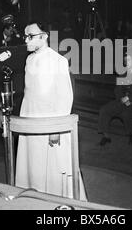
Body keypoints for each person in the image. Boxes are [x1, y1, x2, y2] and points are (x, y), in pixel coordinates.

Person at [15, 21, 87, 200]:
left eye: (30, 36)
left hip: (50, 124)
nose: (26, 40)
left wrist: (56, 129)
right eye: (25, 36)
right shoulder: (29, 59)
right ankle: (33, 198)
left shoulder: (58, 61)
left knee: (53, 166)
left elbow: (65, 97)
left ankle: (56, 201)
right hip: (29, 120)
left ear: (44, 36)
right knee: (32, 163)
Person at [98, 52, 132, 146]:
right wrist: (121, 99)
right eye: (125, 60)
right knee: (104, 110)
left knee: (125, 113)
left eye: (128, 60)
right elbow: (117, 90)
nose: (126, 62)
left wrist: (129, 98)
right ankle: (106, 136)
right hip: (122, 100)